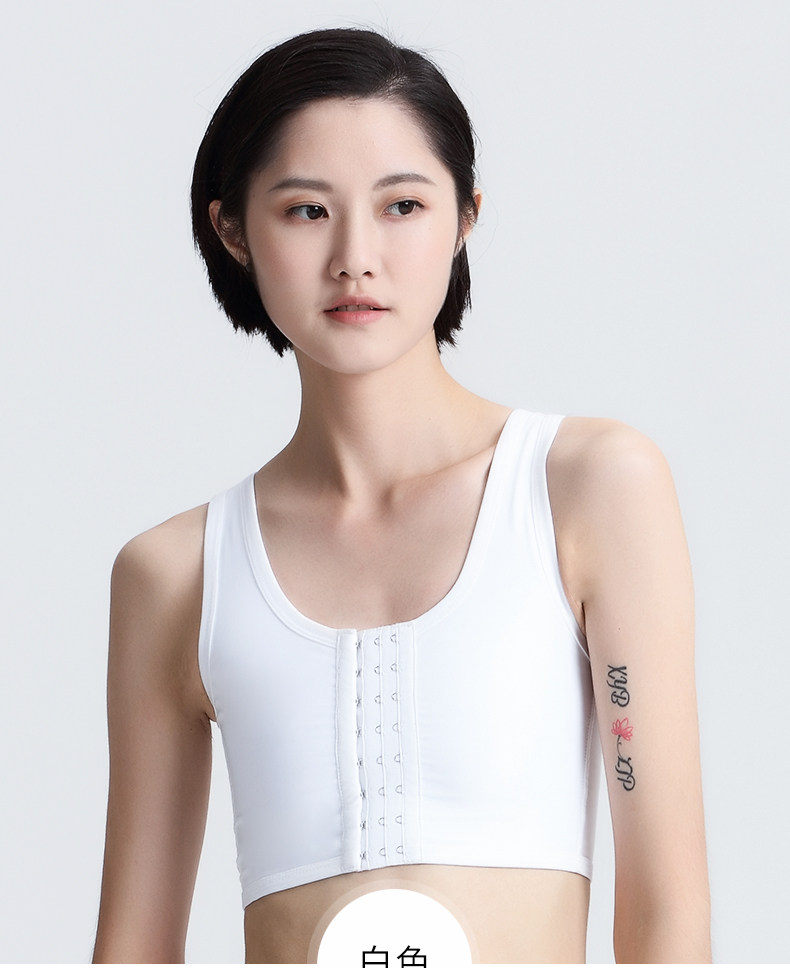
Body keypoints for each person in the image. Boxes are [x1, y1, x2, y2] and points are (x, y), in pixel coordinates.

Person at [92, 27, 711, 964]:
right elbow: (133, 949)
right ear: (233, 231)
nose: (356, 256)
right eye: (307, 210)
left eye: (403, 206)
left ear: (464, 219)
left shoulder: (588, 487)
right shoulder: (176, 574)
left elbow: (668, 919)